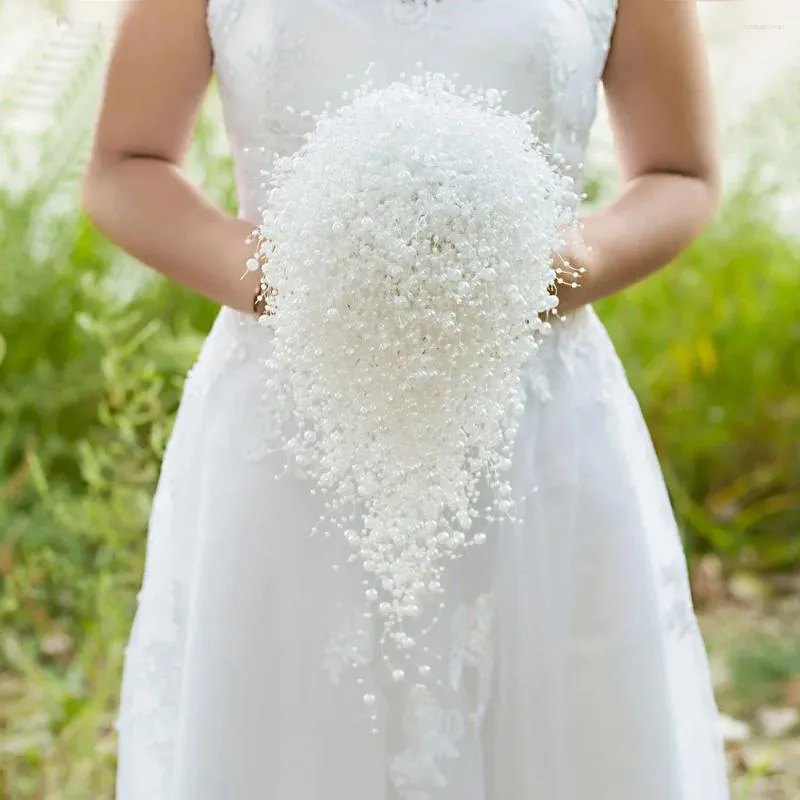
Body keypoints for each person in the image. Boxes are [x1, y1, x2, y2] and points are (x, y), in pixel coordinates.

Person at [81, 0, 730, 797]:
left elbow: (680, 172)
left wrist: (546, 267)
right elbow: (125, 165)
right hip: (290, 424)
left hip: (535, 424)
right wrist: (293, 276)